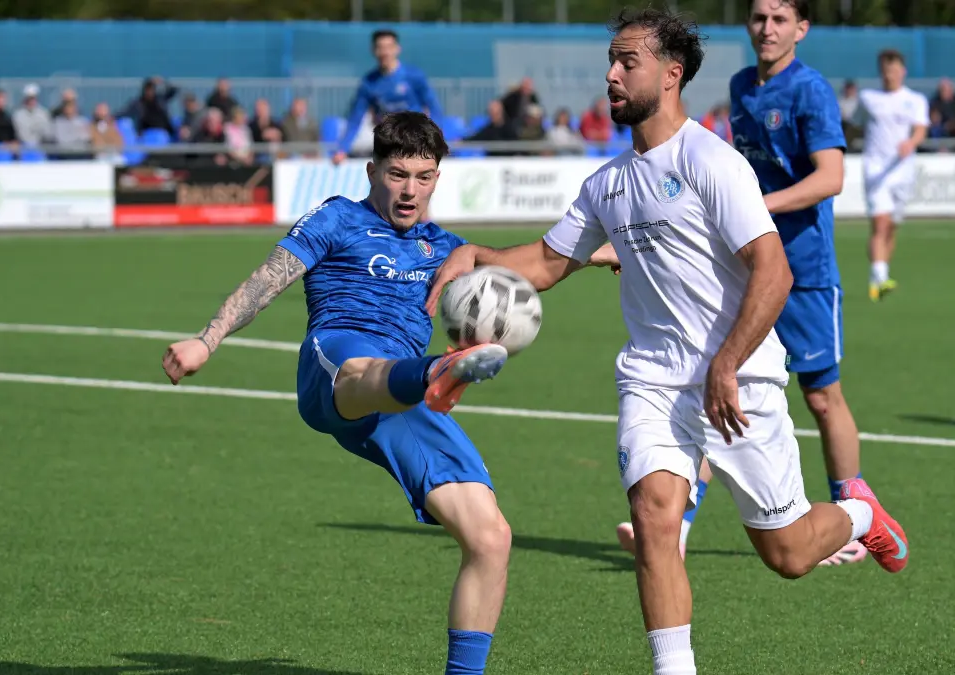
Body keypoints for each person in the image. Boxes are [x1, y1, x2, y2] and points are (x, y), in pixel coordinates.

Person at [425, 10, 909, 675]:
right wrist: (473, 255)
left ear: (671, 74)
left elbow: (776, 270)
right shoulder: (607, 183)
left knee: (790, 552)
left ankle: (859, 513)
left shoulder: (713, 162)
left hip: (740, 381)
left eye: (628, 61)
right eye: (612, 61)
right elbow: (544, 261)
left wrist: (727, 362)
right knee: (655, 517)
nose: (611, 74)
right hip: (652, 379)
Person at [162, 112, 511, 675]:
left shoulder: (443, 245)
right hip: (336, 365)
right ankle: (436, 373)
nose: (409, 190)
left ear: (438, 178)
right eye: (398, 174)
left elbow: (530, 264)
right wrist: (208, 339)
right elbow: (267, 279)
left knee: (491, 536)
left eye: (424, 177)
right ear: (372, 170)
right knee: (362, 369)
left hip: (407, 392)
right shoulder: (337, 217)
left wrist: (594, 255)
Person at [614, 0, 871, 568]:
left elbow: (831, 177)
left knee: (823, 398)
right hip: (737, 266)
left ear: (801, 29)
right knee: (709, 380)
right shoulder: (740, 85)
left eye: (780, 19)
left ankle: (851, 512)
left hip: (800, 269)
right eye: (759, 17)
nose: (767, 28)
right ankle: (676, 524)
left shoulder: (811, 90)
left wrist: (756, 207)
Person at [855, 48, 929, 301]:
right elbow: (854, 124)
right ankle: (879, 275)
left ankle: (878, 276)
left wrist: (911, 143)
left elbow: (920, 129)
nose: (890, 75)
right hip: (875, 170)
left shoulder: (915, 100)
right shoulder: (868, 98)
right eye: (886, 70)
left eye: (895, 70)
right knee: (880, 223)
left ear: (903, 71)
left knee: (891, 229)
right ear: (881, 72)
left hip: (903, 173)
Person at [333, 29, 443, 165]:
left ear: (397, 49)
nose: (385, 52)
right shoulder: (369, 82)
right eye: (380, 48)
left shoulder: (414, 76)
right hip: (387, 142)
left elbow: (434, 107)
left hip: (416, 139)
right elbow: (355, 117)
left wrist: (436, 140)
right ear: (373, 50)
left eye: (389, 47)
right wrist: (342, 149)